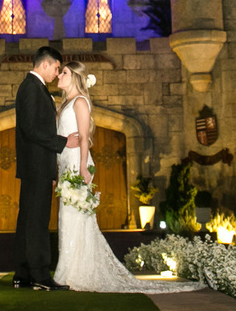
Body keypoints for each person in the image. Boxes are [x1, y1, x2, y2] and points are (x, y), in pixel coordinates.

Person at [53, 61, 201, 294]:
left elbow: (84, 137)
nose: (59, 75)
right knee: (67, 217)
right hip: (65, 164)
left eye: (64, 73)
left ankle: (76, 272)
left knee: (76, 216)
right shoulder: (64, 105)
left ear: (76, 78)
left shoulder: (80, 102)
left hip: (77, 163)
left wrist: (83, 167)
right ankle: (68, 270)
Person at [12, 46, 79, 290]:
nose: (56, 73)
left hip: (37, 166)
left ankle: (23, 273)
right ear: (45, 65)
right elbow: (30, 129)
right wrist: (64, 143)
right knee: (37, 221)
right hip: (36, 166)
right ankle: (40, 275)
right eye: (56, 68)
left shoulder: (35, 88)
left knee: (29, 220)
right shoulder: (31, 88)